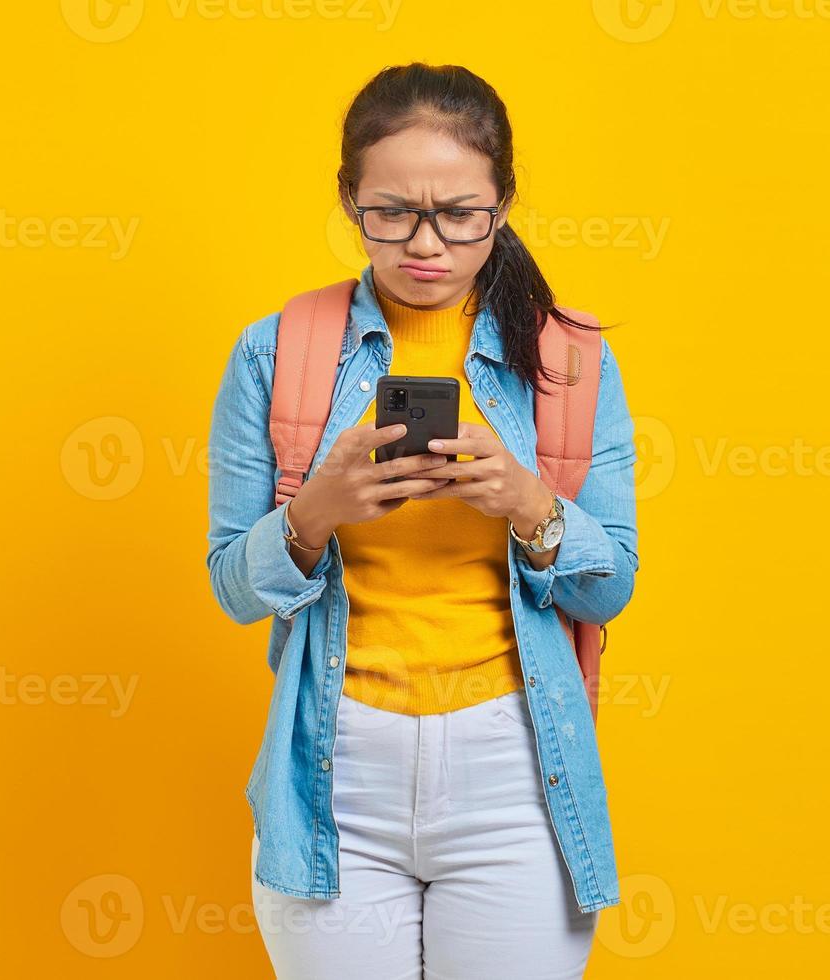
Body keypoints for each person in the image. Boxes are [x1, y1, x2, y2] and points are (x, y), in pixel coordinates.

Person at [206, 62, 640, 979]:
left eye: (461, 214)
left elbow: (616, 585)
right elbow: (232, 589)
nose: (425, 244)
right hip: (332, 770)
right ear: (349, 199)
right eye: (392, 211)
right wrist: (311, 518)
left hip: (516, 772)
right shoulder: (273, 351)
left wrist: (530, 506)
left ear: (504, 203)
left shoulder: (569, 359)